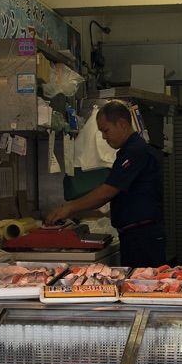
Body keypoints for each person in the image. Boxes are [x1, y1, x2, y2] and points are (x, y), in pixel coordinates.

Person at [44, 101, 165, 267]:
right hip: (135, 235)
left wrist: (69, 208)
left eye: (106, 130)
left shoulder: (136, 151)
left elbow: (108, 191)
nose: (103, 137)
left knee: (143, 287)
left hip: (143, 237)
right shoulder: (127, 151)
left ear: (122, 124)